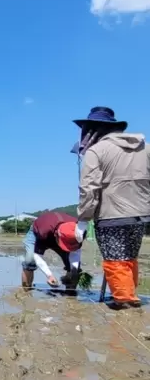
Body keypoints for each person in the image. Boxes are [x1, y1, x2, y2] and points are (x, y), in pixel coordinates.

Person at [75, 106, 150, 308]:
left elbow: (88, 189)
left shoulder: (96, 151)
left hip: (111, 215)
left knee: (115, 259)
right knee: (129, 257)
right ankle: (129, 295)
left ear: (93, 130)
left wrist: (83, 218)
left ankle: (124, 300)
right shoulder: (146, 147)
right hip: (141, 214)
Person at [22, 211, 85, 289]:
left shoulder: (80, 231)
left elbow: (76, 253)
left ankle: (70, 293)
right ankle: (26, 289)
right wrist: (49, 275)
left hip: (60, 233)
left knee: (75, 270)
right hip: (37, 231)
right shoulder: (43, 232)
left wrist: (74, 270)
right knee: (30, 260)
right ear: (57, 236)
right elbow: (37, 255)